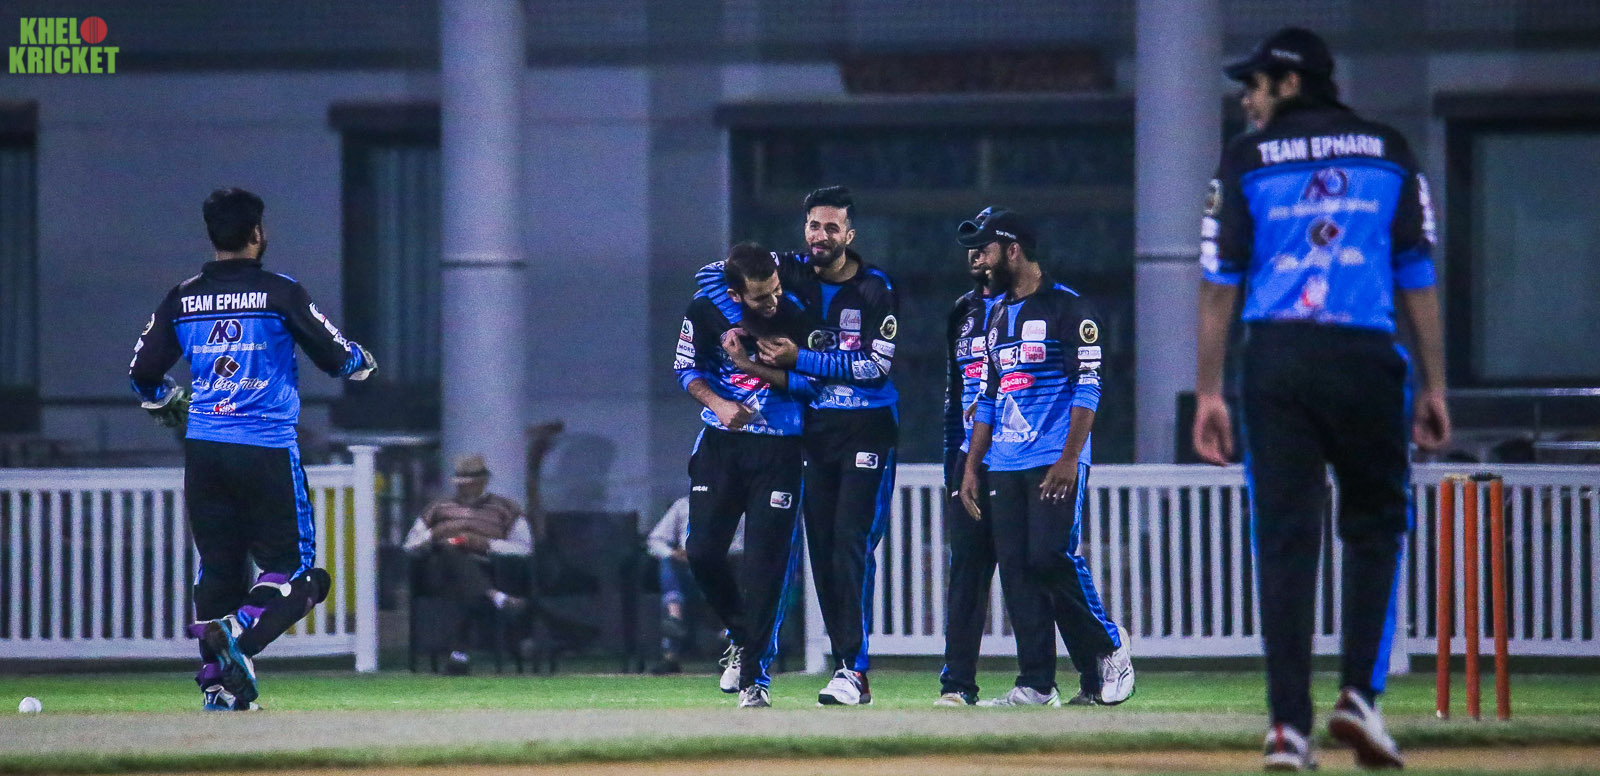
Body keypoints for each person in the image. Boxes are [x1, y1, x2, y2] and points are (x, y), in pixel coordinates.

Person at [1192, 27, 1452, 771]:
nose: (1248, 100)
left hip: (1276, 360)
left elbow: (1218, 281)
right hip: (1367, 357)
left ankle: (1287, 729)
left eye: (1256, 86)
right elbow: (1415, 272)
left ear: (1290, 83)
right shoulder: (1389, 149)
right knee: (1375, 526)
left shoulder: (1246, 158)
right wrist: (1435, 384)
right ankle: (1359, 697)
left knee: (1284, 538)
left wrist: (1209, 391)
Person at [129, 188, 376, 711]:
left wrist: (163, 399)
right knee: (300, 573)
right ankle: (238, 636)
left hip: (204, 450)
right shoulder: (279, 292)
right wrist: (361, 361)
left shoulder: (183, 297)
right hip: (264, 448)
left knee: (219, 570)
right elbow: (337, 357)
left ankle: (219, 689)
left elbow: (142, 371)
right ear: (257, 233)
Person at [695, 186, 900, 706]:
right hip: (813, 430)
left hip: (866, 427)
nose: (821, 236)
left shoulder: (875, 289)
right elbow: (712, 277)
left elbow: (876, 369)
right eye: (813, 225)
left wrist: (798, 359)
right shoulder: (788, 269)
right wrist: (740, 325)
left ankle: (853, 669)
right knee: (823, 551)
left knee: (849, 544)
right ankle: (772, 656)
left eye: (832, 227)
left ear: (850, 235)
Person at [958, 207, 1134, 708]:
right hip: (1004, 463)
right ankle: (1036, 683)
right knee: (1017, 572)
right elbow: (988, 396)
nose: (979, 259)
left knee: (1049, 557)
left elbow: (1089, 386)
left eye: (987, 249)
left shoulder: (1069, 308)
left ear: (1013, 251)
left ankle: (1109, 647)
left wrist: (1069, 457)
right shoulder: (996, 315)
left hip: (1055, 459)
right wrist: (971, 467)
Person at [675, 241, 815, 708]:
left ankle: (755, 679)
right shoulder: (705, 308)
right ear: (735, 295)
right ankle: (742, 635)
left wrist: (751, 364)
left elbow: (814, 383)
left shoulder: (797, 310)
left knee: (765, 565)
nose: (772, 301)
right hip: (720, 443)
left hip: (780, 446)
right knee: (701, 552)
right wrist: (719, 404)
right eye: (760, 297)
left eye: (775, 290)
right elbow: (685, 368)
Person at [934, 216, 1004, 706]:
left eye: (984, 245)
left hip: (1020, 458)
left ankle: (1049, 678)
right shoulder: (962, 310)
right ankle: (957, 684)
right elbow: (953, 393)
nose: (975, 254)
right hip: (969, 460)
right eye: (970, 247)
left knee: (1034, 571)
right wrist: (953, 469)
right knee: (966, 574)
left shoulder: (1036, 306)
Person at [402, 453, 534, 675]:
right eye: (461, 483)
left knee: (465, 587)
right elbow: (410, 545)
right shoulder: (438, 508)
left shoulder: (505, 508)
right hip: (438, 571)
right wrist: (434, 534)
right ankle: (496, 597)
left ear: (483, 481)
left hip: (486, 570)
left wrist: (485, 544)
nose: (464, 488)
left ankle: (458, 656)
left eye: (470, 483)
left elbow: (524, 548)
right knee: (449, 550)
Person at [644, 495, 745, 675]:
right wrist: (674, 553)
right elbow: (655, 540)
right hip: (687, 573)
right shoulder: (683, 505)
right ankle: (674, 618)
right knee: (668, 563)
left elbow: (744, 544)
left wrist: (710, 554)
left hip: (721, 569)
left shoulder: (736, 506)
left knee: (732, 576)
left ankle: (729, 650)